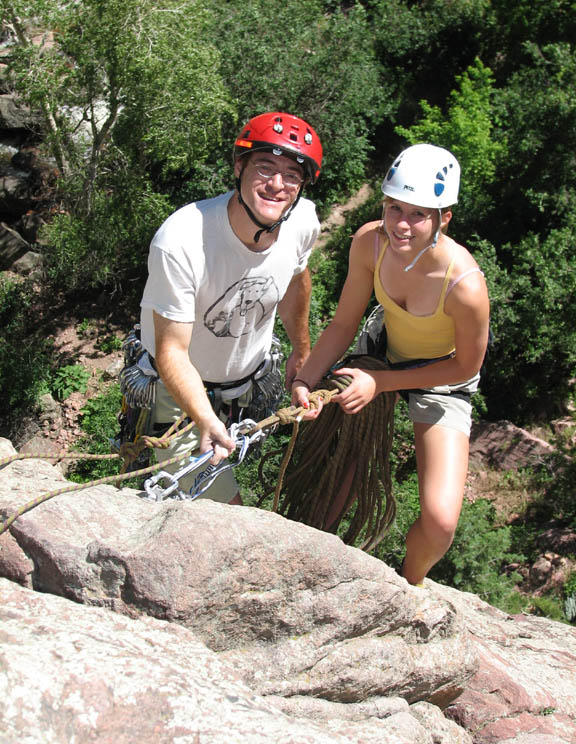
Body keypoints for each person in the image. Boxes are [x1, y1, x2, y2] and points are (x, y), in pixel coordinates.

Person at [291, 143, 490, 585]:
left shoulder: (465, 287)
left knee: (440, 523)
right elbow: (344, 323)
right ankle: (306, 563)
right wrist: (307, 377)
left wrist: (381, 383)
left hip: (441, 375)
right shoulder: (369, 243)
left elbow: (463, 368)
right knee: (336, 477)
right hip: (380, 352)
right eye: (394, 207)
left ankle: (410, 585)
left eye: (419, 214)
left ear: (445, 219)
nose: (401, 224)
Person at [134, 111, 323, 504]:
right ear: (239, 167)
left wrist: (302, 351)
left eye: (292, 175)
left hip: (248, 383)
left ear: (303, 185)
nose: (276, 184)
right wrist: (203, 418)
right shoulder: (182, 240)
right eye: (265, 167)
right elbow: (171, 350)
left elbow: (295, 280)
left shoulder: (302, 221)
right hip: (179, 395)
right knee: (227, 510)